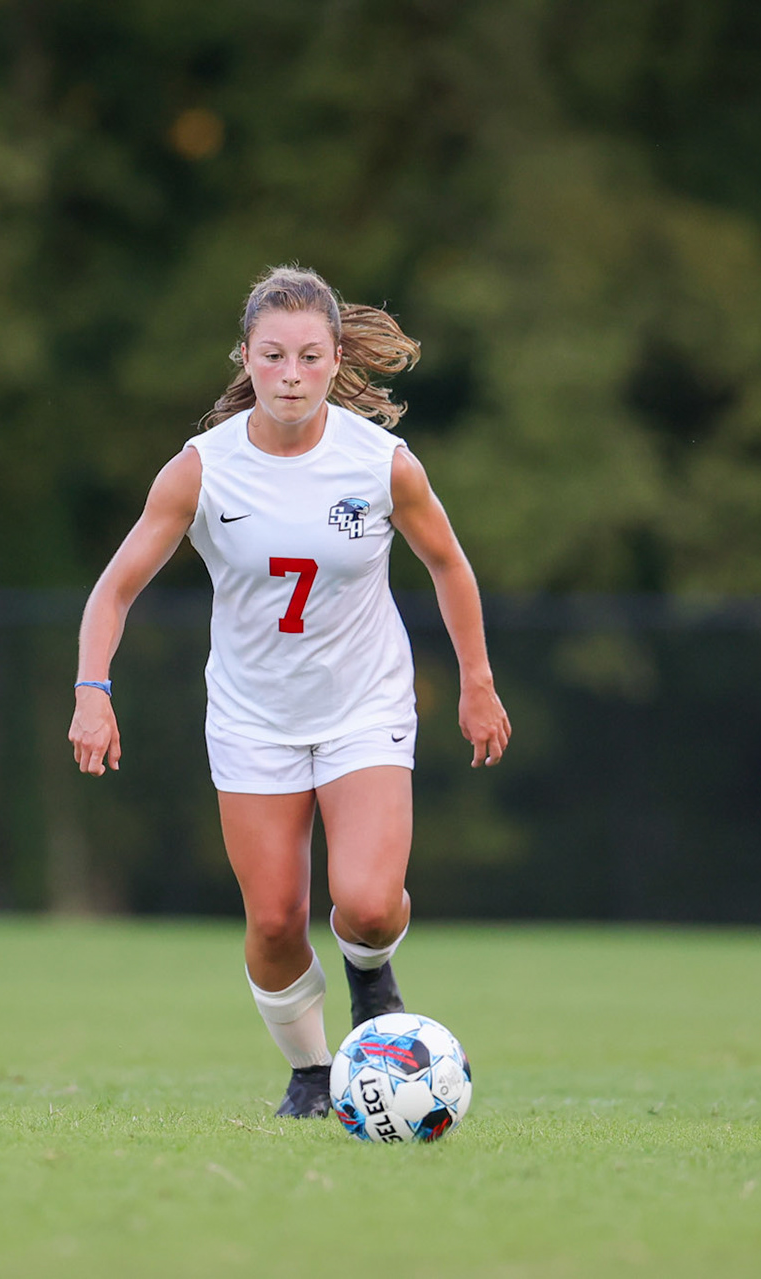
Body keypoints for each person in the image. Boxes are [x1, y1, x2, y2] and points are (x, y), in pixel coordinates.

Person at [68, 265, 511, 1118]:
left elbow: (449, 564)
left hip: (364, 708)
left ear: (336, 357)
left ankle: (371, 976)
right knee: (275, 923)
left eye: (311, 357)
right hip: (253, 719)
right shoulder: (202, 470)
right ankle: (313, 1073)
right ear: (247, 357)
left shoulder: (383, 463)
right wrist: (93, 690)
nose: (293, 376)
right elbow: (113, 589)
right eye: (273, 357)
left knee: (370, 905)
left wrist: (477, 683)